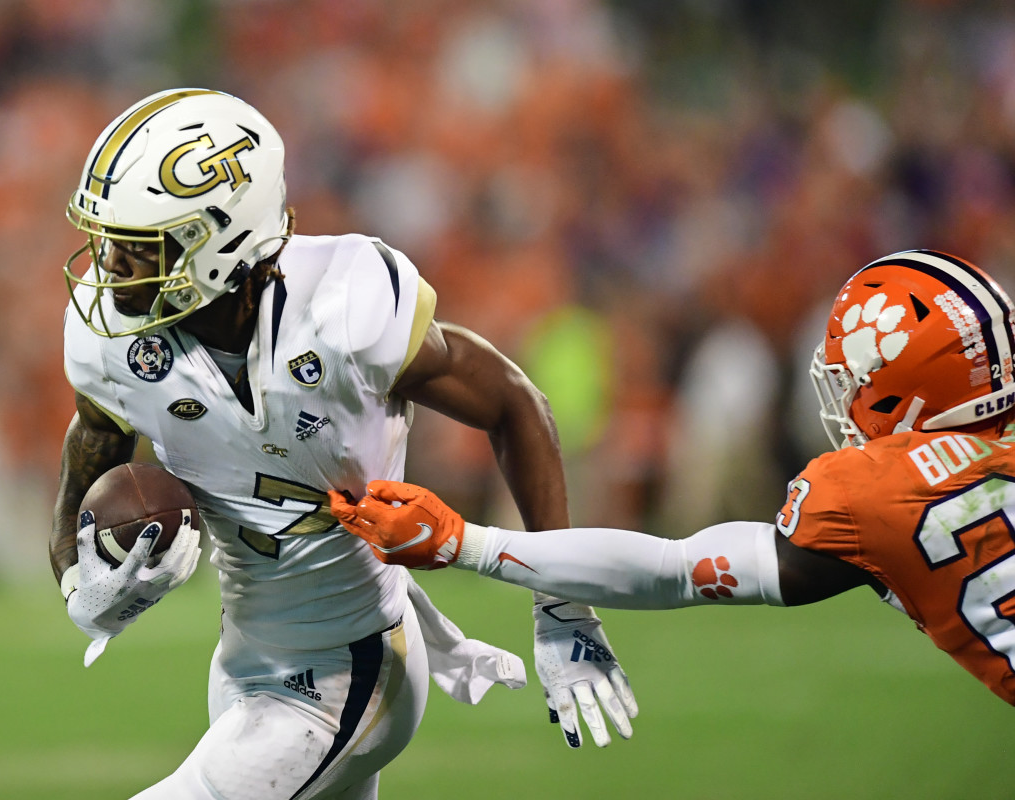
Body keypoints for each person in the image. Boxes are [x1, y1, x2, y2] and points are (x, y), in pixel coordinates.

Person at [49, 88, 637, 800]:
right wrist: (81, 586)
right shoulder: (115, 347)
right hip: (244, 661)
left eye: (138, 248)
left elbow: (514, 402)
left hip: (356, 661)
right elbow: (93, 445)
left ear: (217, 241)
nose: (110, 268)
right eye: (110, 241)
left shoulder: (345, 306)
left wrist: (563, 605)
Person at [331, 249, 1015, 707]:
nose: (845, 397)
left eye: (857, 380)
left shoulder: (878, 491)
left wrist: (462, 541)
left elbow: (673, 568)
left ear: (907, 390)